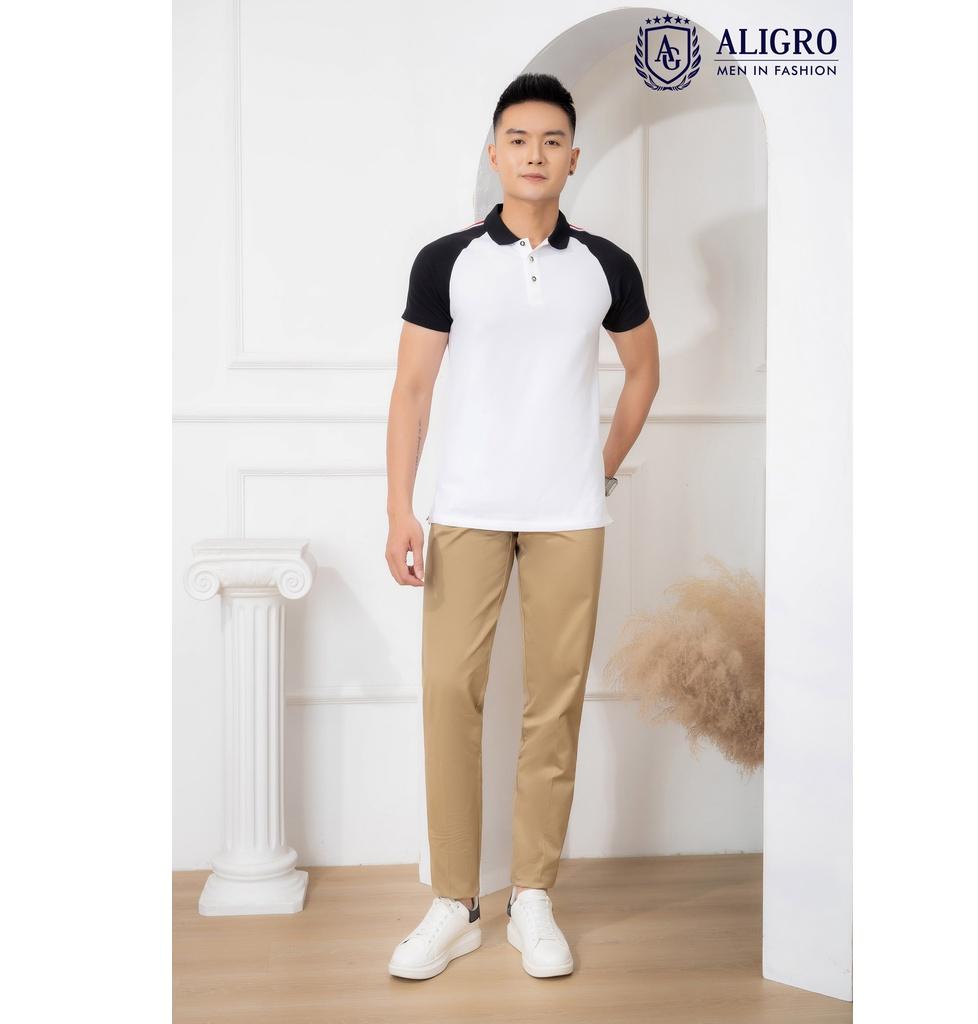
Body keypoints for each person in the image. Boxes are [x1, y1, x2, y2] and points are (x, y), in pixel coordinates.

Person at [384, 72, 659, 980]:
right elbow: (411, 391)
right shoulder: (446, 261)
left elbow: (644, 373)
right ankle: (454, 904)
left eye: (550, 141)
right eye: (517, 139)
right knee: (447, 694)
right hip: (464, 506)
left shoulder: (607, 266)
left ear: (573, 157)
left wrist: (601, 466)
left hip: (569, 514)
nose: (534, 154)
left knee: (555, 700)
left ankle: (532, 896)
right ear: (494, 152)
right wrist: (399, 508)